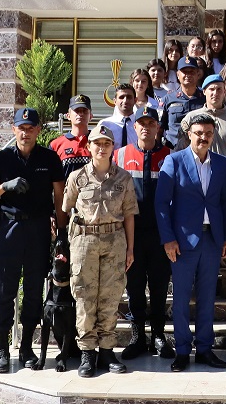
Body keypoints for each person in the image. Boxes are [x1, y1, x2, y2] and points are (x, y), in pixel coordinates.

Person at [0, 108, 66, 373]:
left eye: (31, 128)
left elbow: (59, 199)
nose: (25, 132)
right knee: (5, 291)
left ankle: (27, 347)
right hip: (10, 229)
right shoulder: (2, 158)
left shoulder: (50, 158)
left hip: (39, 229)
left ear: (38, 130)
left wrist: (61, 235)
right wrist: (5, 187)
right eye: (21, 127)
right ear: (13, 130)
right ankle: (3, 350)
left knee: (32, 292)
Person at [156, 113, 226, 372]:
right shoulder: (174, 161)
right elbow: (161, 204)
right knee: (180, 299)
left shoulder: (221, 164)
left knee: (208, 296)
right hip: (182, 242)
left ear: (214, 136)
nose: (204, 137)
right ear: (189, 133)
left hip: (212, 240)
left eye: (208, 133)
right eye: (199, 133)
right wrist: (168, 239)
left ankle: (204, 349)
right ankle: (181, 351)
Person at [63, 124, 138, 377]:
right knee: (84, 296)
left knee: (110, 295)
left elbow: (129, 215)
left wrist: (130, 248)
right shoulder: (77, 177)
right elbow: (66, 209)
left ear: (112, 148)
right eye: (98, 143)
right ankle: (87, 352)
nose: (102, 148)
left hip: (114, 240)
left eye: (107, 144)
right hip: (84, 241)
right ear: (89, 146)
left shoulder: (123, 178)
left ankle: (107, 350)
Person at [115, 106, 175, 361]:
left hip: (161, 234)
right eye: (142, 123)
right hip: (132, 235)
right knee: (135, 287)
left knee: (160, 287)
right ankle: (138, 335)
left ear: (158, 128)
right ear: (134, 127)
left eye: (151, 123)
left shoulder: (170, 155)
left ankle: (159, 335)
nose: (146, 127)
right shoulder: (120, 155)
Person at [179, 75, 226, 155]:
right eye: (211, 89)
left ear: (224, 92)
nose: (215, 93)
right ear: (204, 91)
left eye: (219, 89)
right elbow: (182, 148)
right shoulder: (191, 118)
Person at [158, 56, 205, 148]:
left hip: (200, 149)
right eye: (184, 72)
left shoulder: (205, 97)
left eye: (192, 72)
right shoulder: (167, 99)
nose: (188, 75)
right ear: (178, 74)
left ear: (198, 74)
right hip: (173, 149)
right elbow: (159, 129)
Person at [50, 94, 93, 180]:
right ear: (68, 116)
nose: (81, 114)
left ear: (91, 116)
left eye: (84, 111)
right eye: (77, 111)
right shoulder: (56, 145)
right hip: (66, 193)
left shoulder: (98, 142)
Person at [99, 84, 137, 150]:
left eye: (129, 97)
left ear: (135, 100)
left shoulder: (141, 124)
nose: (125, 100)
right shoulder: (105, 124)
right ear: (115, 101)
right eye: (121, 97)